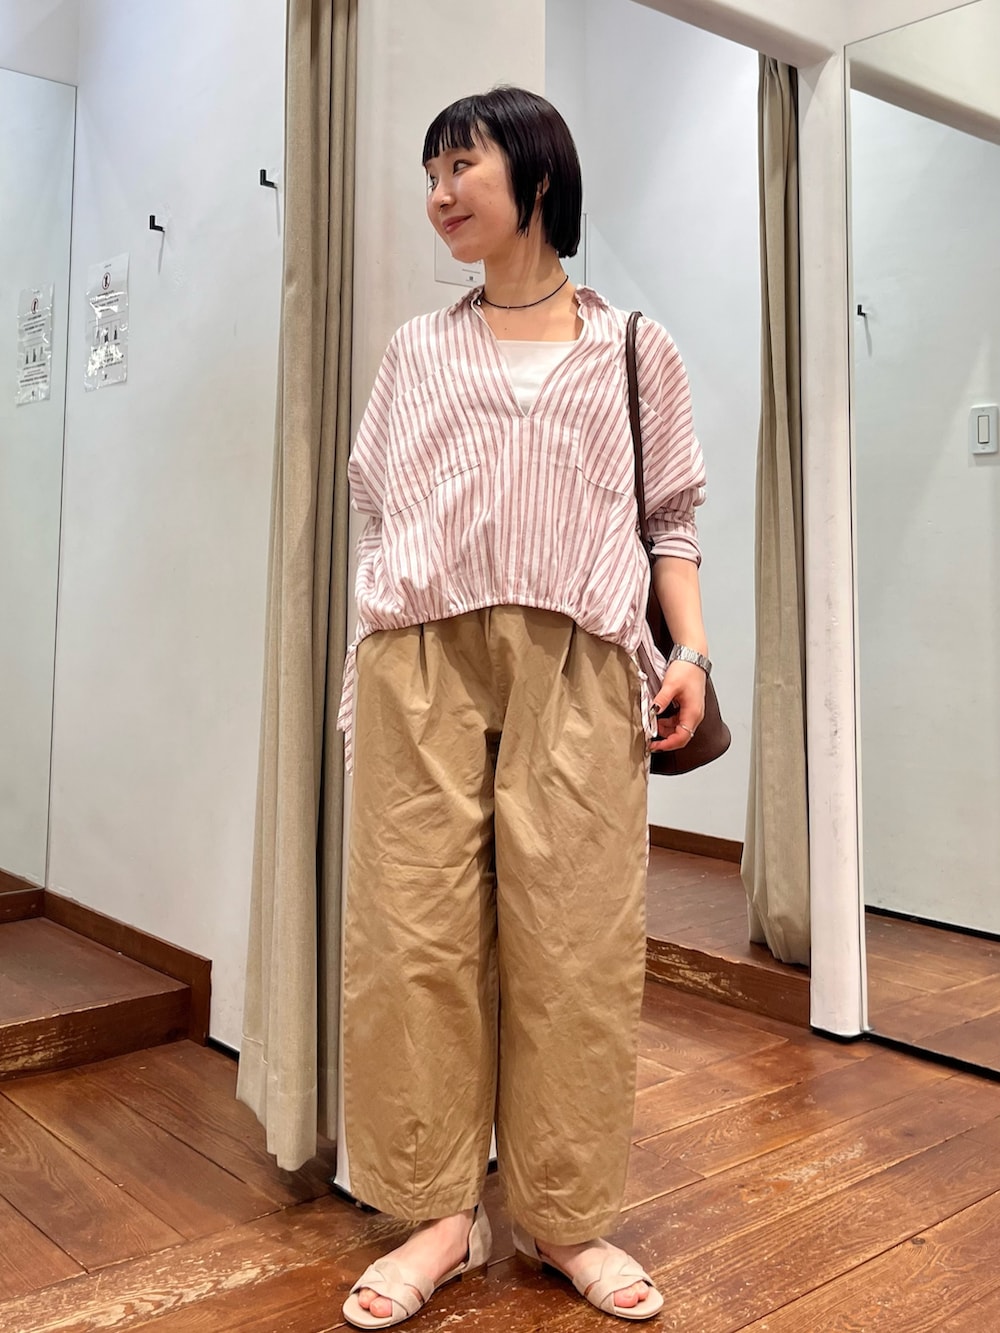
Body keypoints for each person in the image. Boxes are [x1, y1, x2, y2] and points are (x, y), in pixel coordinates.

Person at [337, 86, 710, 1328]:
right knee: (414, 940)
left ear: (537, 177)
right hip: (421, 659)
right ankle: (437, 1214)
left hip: (580, 663)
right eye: (430, 173)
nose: (439, 194)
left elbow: (670, 522)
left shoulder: (635, 349)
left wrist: (690, 650)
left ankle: (563, 1215)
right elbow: (378, 508)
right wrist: (383, 636)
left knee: (576, 945)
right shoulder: (414, 350)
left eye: (462, 166)